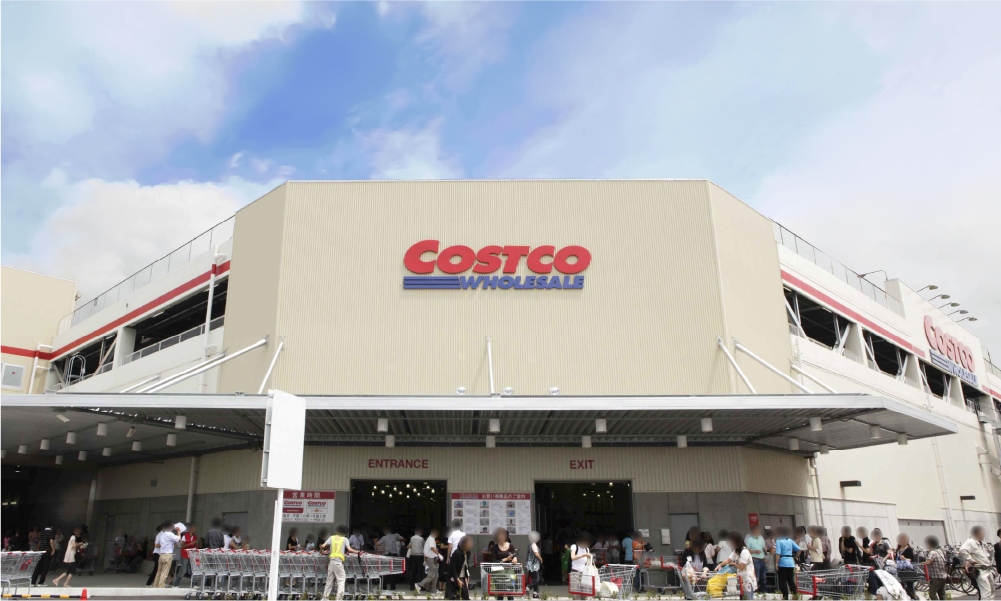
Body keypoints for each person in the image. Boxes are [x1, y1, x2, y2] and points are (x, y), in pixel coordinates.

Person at [320, 524, 359, 600]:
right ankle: (339, 598)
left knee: (329, 581)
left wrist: (321, 551)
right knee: (341, 580)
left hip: (331, 562)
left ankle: (325, 598)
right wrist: (357, 552)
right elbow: (349, 549)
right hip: (338, 562)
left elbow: (323, 546)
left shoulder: (331, 537)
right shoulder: (345, 539)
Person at [960, 525, 996, 600]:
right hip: (981, 569)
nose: (983, 534)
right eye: (982, 532)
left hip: (988, 568)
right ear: (976, 533)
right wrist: (971, 560)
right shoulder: (971, 541)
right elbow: (962, 550)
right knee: (986, 592)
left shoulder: (982, 542)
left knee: (992, 590)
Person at [717, 531, 756, 600]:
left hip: (747, 581)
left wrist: (734, 564)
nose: (731, 544)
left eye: (732, 542)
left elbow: (741, 567)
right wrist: (720, 565)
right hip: (741, 581)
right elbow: (728, 560)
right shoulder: (736, 551)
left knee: (747, 598)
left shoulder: (744, 552)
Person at [772, 527, 800, 600]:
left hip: (782, 562)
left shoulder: (779, 541)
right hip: (790, 562)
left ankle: (785, 597)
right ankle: (795, 595)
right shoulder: (790, 541)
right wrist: (795, 557)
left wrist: (776, 563)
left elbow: (778, 553)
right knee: (791, 580)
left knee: (783, 581)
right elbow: (799, 549)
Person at [153, 521, 180, 588]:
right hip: (167, 555)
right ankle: (160, 586)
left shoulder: (162, 534)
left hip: (161, 554)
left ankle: (155, 586)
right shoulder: (170, 534)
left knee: (159, 572)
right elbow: (178, 539)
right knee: (164, 572)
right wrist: (178, 531)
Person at [416, 527, 443, 594]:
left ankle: (434, 590)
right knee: (431, 576)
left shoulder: (431, 539)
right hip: (431, 559)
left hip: (433, 559)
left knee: (436, 575)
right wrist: (439, 554)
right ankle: (419, 584)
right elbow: (432, 548)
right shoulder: (431, 539)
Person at [447, 535, 473, 600]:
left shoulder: (468, 553)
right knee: (454, 597)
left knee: (465, 597)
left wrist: (467, 576)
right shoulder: (457, 553)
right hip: (454, 577)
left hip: (462, 577)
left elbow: (466, 565)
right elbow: (453, 568)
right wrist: (457, 579)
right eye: (468, 543)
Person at [922, 535, 948, 600]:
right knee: (941, 593)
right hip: (943, 576)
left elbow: (928, 562)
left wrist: (922, 563)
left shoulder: (932, 553)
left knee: (932, 593)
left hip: (936, 577)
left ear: (930, 544)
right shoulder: (939, 551)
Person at [744, 525, 767, 594]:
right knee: (756, 576)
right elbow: (746, 550)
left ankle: (763, 590)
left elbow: (764, 547)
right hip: (755, 559)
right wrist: (755, 551)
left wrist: (765, 549)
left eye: (759, 531)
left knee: (763, 576)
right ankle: (755, 590)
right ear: (753, 531)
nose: (758, 532)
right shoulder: (749, 540)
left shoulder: (761, 538)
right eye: (757, 531)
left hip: (762, 559)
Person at [525, 531, 544, 598]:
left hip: (530, 565)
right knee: (537, 579)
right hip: (534, 566)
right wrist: (541, 558)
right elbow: (536, 553)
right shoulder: (533, 545)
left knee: (534, 579)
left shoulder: (529, 545)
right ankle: (527, 587)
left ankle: (536, 594)